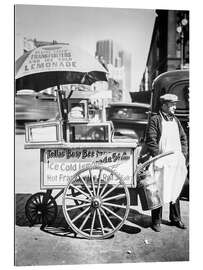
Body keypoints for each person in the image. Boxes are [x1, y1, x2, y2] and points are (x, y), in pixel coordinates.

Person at [145, 94, 188, 232]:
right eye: (171, 104)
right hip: (161, 161)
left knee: (175, 188)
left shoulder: (175, 120)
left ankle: (175, 219)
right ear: (163, 105)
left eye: (175, 104)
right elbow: (151, 140)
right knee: (158, 190)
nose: (174, 107)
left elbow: (183, 138)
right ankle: (156, 221)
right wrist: (158, 156)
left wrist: (183, 155)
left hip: (175, 161)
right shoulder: (155, 120)